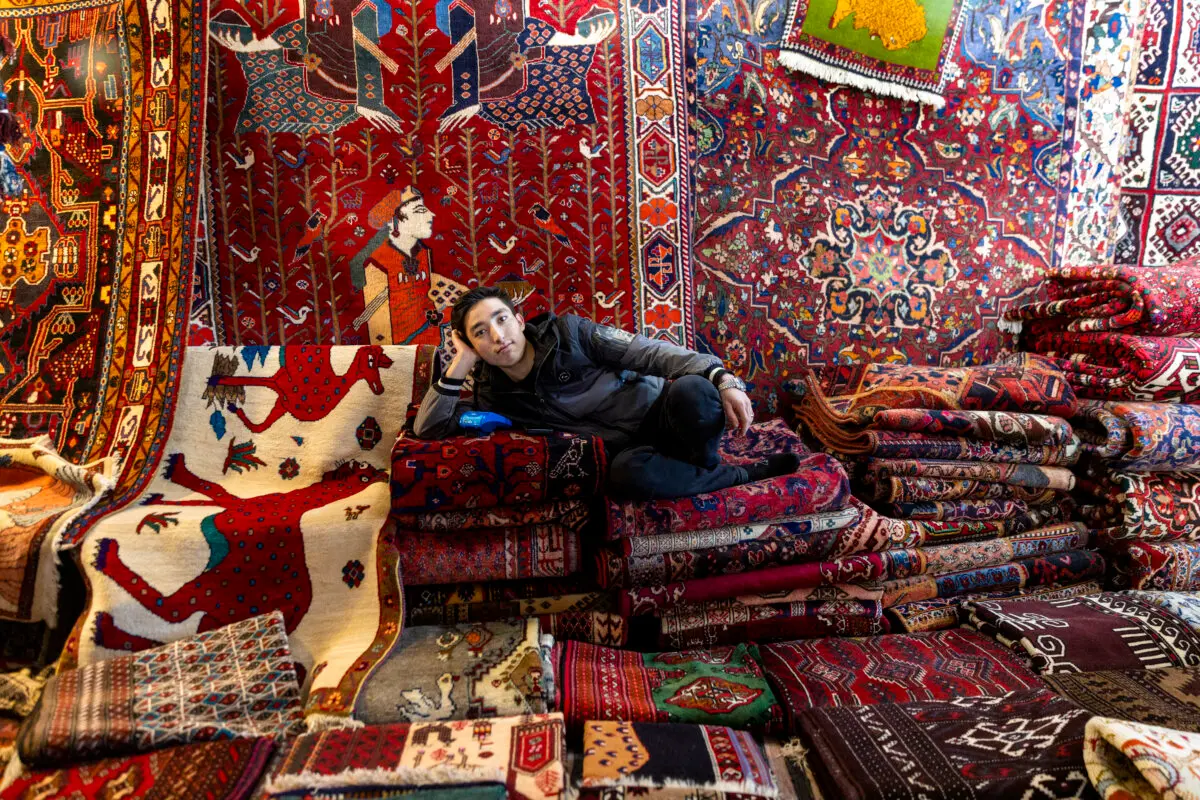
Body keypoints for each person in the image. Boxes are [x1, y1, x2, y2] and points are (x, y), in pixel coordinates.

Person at [413, 286, 800, 500]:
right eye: (480, 332)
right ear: (471, 343)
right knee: (624, 477)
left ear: (518, 319)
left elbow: (652, 353)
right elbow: (428, 429)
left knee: (695, 390)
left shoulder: (571, 333)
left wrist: (723, 379)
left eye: (501, 319)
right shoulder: (492, 394)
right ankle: (735, 475)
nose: (498, 336)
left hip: (664, 415)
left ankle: (704, 468)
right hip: (630, 453)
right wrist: (460, 361)